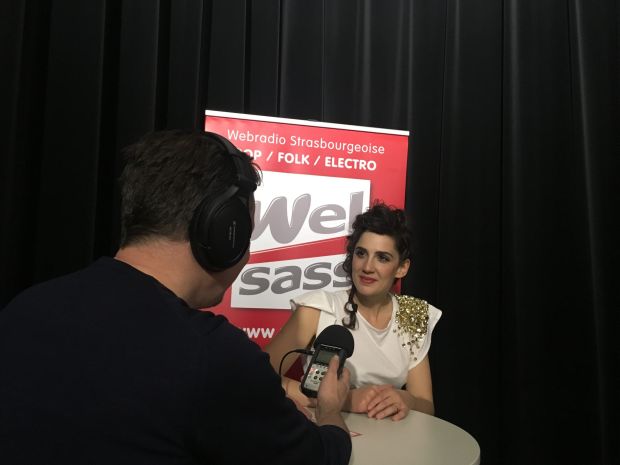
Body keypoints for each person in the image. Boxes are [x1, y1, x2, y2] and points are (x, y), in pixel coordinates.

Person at [0, 130, 352, 464]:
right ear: (224, 230)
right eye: (246, 233)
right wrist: (331, 411)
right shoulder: (211, 356)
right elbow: (322, 457)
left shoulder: (24, 309)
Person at [265, 202, 442, 421]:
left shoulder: (412, 315)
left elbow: (426, 406)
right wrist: (346, 399)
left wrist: (408, 400)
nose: (367, 267)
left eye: (382, 258)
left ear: (402, 268)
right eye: (361, 253)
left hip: (391, 436)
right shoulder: (318, 308)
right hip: (324, 430)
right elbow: (261, 377)